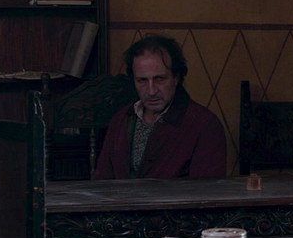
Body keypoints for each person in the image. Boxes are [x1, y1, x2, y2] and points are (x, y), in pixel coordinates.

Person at [93, 34, 226, 179]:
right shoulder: (121, 119)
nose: (151, 91)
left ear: (176, 77)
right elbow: (101, 181)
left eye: (160, 79)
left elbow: (207, 189)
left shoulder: (205, 125)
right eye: (142, 80)